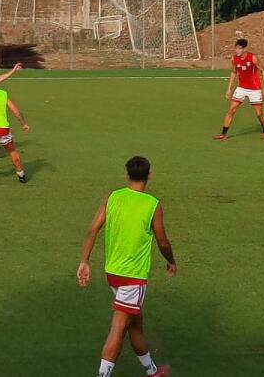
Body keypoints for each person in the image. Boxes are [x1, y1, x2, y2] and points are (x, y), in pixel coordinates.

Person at [77, 156, 175, 377]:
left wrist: (84, 261)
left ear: (127, 175)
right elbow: (163, 241)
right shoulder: (152, 205)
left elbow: (93, 229)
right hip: (133, 277)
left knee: (135, 326)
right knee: (119, 328)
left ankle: (153, 372)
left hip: (112, 273)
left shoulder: (113, 197)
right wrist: (171, 261)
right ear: (149, 176)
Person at [215, 38, 264, 141]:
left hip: (254, 89)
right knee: (231, 109)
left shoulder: (253, 58)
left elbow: (263, 71)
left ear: (245, 49)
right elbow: (233, 72)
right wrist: (229, 89)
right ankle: (223, 134)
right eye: (236, 48)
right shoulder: (234, 59)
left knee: (259, 113)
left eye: (239, 49)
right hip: (241, 88)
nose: (237, 51)